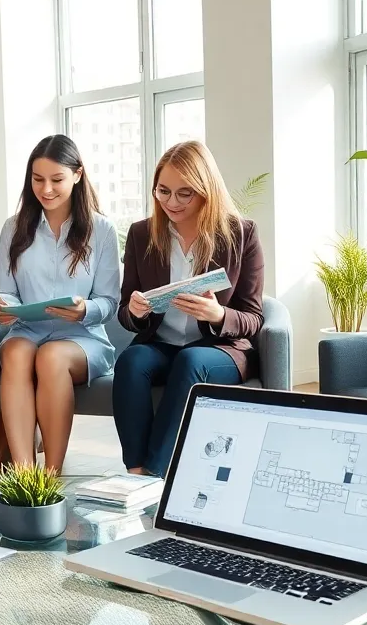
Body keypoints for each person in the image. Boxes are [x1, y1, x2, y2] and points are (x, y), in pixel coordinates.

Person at [113, 140, 264, 478]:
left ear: (206, 192)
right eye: (163, 191)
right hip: (160, 344)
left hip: (217, 350)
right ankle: (135, 472)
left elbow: (254, 317)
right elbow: (125, 311)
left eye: (185, 194)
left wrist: (218, 315)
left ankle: (157, 474)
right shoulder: (141, 234)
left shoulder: (241, 234)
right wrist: (136, 310)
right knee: (131, 361)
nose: (171, 202)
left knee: (191, 359)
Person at [0, 135, 120, 471]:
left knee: (51, 357)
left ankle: (51, 474)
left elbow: (109, 302)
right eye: (38, 180)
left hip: (82, 337)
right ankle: (23, 474)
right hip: (26, 329)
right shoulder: (14, 228)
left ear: (78, 175)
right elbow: (6, 291)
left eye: (56, 180)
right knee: (17, 353)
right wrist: (3, 307)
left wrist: (85, 310)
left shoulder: (101, 230)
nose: (46, 189)